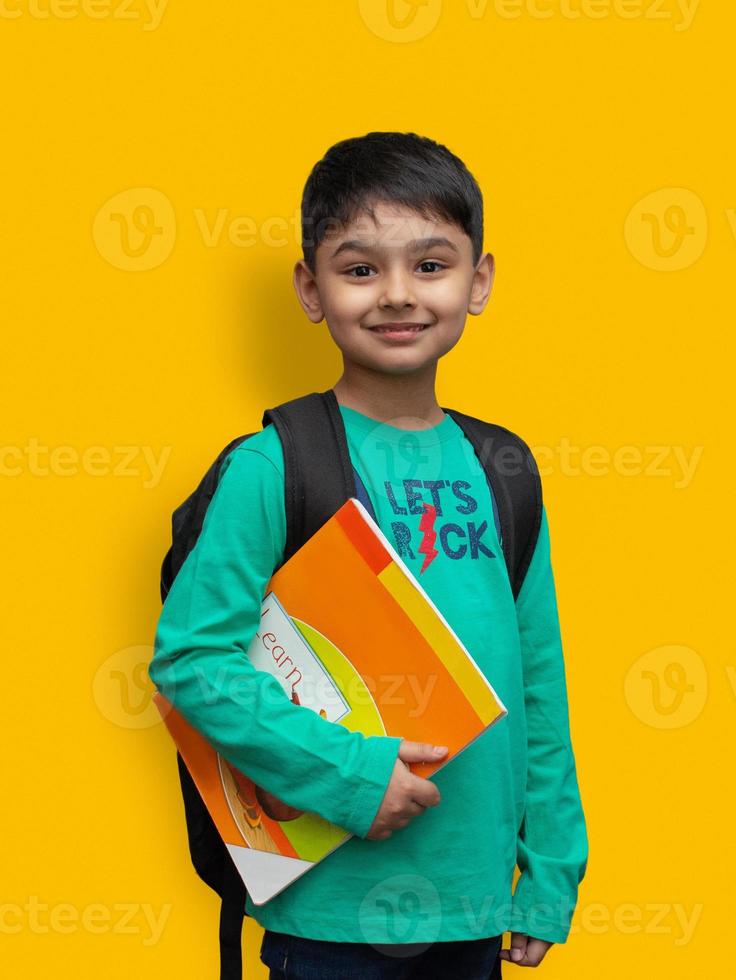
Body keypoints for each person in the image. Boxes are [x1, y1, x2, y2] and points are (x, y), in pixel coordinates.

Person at [150, 131, 588, 978]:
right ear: (311, 290)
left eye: (431, 265)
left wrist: (550, 874)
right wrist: (354, 775)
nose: (397, 295)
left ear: (480, 281)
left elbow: (539, 683)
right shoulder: (274, 466)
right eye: (360, 270)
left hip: (473, 907)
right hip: (328, 908)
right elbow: (192, 661)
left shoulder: (506, 468)